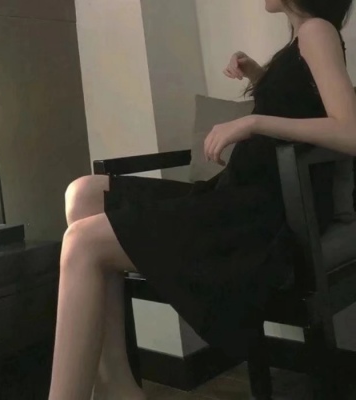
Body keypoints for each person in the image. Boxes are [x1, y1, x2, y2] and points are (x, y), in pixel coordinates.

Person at [48, 0, 356, 399]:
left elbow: (350, 131)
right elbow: (302, 101)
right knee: (84, 193)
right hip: (235, 194)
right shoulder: (302, 36)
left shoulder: (317, 31)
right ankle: (117, 384)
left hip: (261, 214)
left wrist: (252, 120)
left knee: (82, 242)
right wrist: (258, 75)